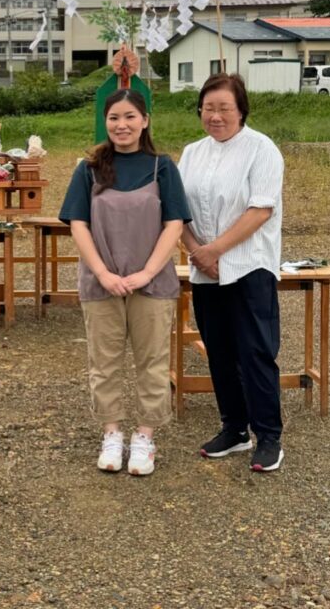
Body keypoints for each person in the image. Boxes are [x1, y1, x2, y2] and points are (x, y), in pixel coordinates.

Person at [59, 89, 190, 476]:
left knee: (152, 362)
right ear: (106, 122)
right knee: (104, 362)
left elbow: (175, 224)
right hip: (102, 282)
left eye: (131, 117)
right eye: (114, 117)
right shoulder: (89, 169)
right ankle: (112, 433)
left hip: (151, 283)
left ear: (145, 121)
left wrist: (147, 272)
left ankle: (145, 436)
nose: (122, 125)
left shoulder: (161, 167)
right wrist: (102, 272)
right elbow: (78, 224)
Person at [178, 72, 285, 473]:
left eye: (225, 108)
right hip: (205, 268)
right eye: (209, 108)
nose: (216, 116)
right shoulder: (192, 152)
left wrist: (216, 250)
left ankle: (269, 436)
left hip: (248, 265)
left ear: (241, 110)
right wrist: (197, 252)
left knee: (255, 352)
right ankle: (234, 429)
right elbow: (177, 209)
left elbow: (260, 209)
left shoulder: (262, 149)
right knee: (219, 350)